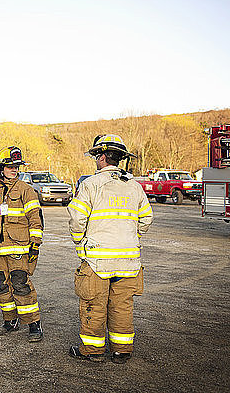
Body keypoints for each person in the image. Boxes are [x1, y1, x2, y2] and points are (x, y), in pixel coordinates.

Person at [68, 134, 153, 363]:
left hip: (98, 260)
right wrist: (130, 237)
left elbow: (77, 220)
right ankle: (121, 351)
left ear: (103, 157)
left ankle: (93, 352)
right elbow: (146, 219)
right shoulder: (135, 187)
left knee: (94, 305)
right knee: (122, 306)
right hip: (129, 260)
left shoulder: (90, 185)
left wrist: (80, 242)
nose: (96, 159)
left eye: (97, 155)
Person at [0, 146, 44, 341]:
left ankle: (33, 324)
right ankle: (9, 320)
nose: (14, 170)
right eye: (10, 166)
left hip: (18, 248)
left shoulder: (26, 190)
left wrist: (35, 244)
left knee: (21, 285)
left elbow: (35, 219)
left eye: (17, 167)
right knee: (2, 287)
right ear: (1, 168)